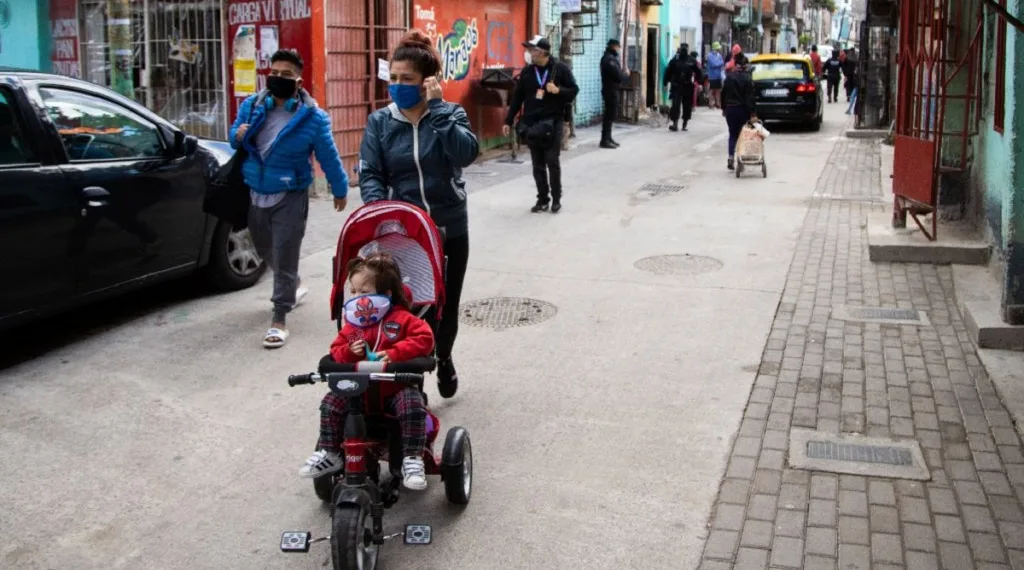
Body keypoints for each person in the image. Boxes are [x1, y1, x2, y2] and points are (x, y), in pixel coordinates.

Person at [358, 30, 479, 397]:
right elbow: (371, 173)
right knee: (405, 306)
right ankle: (408, 378)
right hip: (403, 233)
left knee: (446, 302)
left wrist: (439, 110)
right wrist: (380, 212)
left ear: (427, 82)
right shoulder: (380, 122)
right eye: (392, 78)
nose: (396, 86)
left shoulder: (450, 113)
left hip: (448, 226)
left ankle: (444, 357)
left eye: (406, 79)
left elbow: (465, 154)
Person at [230, 49, 349, 349]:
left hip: (291, 195)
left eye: (286, 74)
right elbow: (234, 136)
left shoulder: (312, 118)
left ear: (298, 81)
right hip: (255, 190)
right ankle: (293, 283)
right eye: (274, 72)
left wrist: (340, 188)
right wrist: (239, 134)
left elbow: (329, 156)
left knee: (284, 254)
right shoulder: (252, 106)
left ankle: (279, 317)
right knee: (262, 248)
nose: (278, 78)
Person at [299, 254, 435, 490]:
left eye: (364, 291)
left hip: (394, 389)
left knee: (412, 405)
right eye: (353, 292)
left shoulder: (402, 319)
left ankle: (412, 459)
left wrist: (396, 353)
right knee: (331, 402)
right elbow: (336, 350)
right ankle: (330, 452)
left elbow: (424, 339)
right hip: (358, 391)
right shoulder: (354, 328)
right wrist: (351, 352)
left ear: (386, 294)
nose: (357, 297)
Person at [504, 35, 579, 214]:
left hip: (553, 121)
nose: (529, 53)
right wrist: (508, 120)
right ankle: (542, 199)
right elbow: (517, 98)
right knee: (537, 163)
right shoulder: (528, 72)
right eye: (529, 50)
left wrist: (558, 90)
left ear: (543, 52)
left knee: (552, 160)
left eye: (532, 50)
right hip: (532, 123)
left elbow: (574, 90)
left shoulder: (560, 69)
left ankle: (556, 198)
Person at [720, 52, 757, 171]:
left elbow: (723, 94)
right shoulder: (747, 78)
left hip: (730, 109)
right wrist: (753, 112)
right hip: (743, 110)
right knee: (743, 135)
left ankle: (731, 157)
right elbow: (750, 98)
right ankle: (740, 160)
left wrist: (724, 108)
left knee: (732, 134)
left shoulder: (729, 77)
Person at [664, 44, 702, 131]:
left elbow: (698, 72)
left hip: (687, 85)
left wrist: (699, 83)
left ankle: (685, 123)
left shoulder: (692, 60)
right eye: (682, 48)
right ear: (680, 49)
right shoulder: (675, 60)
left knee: (687, 105)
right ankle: (675, 124)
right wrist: (665, 83)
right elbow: (668, 71)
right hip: (677, 85)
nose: (684, 50)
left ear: (688, 50)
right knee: (675, 105)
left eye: (685, 48)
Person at [600, 38, 629, 149]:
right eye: (617, 47)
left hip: (611, 90)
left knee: (611, 115)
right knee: (609, 115)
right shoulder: (609, 60)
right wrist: (625, 74)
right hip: (610, 91)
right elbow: (618, 76)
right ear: (613, 46)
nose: (618, 49)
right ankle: (605, 140)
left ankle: (608, 137)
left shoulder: (610, 58)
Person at [706, 43, 726, 110]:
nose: (719, 49)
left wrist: (718, 63)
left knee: (718, 90)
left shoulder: (719, 55)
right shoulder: (710, 55)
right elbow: (713, 64)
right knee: (711, 90)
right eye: (718, 48)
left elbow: (722, 62)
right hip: (712, 76)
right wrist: (719, 64)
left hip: (718, 76)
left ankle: (718, 104)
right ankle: (710, 104)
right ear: (715, 48)